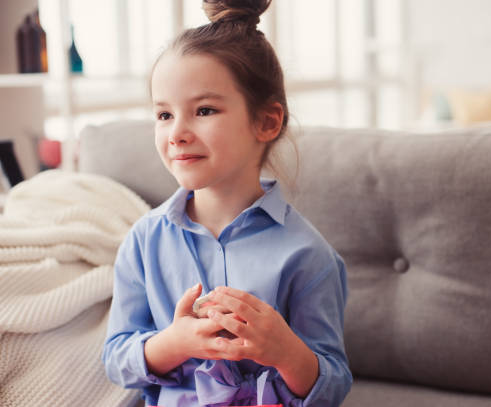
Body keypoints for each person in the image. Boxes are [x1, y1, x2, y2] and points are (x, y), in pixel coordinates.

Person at [101, 1, 352, 406]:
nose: (177, 133)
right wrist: (174, 343)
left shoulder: (308, 255)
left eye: (203, 110)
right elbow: (116, 359)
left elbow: (333, 384)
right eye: (164, 115)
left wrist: (286, 352)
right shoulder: (144, 241)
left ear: (267, 122)